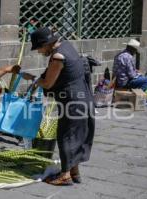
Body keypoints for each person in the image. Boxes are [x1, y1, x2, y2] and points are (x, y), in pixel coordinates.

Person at [29, 27, 95, 185]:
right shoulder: (67, 46)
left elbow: (48, 83)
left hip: (72, 102)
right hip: (84, 98)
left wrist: (36, 81)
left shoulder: (58, 56)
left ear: (47, 44)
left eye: (39, 48)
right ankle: (74, 171)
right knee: (76, 136)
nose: (39, 52)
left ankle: (65, 176)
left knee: (66, 136)